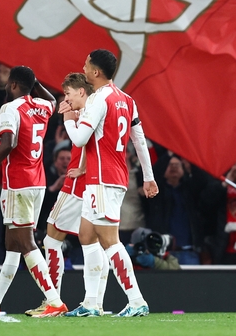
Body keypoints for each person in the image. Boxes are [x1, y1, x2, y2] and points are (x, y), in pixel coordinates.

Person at [62, 49, 158, 318]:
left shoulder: (97, 99)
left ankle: (136, 299)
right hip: (108, 177)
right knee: (86, 234)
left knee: (109, 240)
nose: (82, 68)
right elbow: (139, 140)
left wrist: (69, 120)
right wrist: (148, 177)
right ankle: (91, 303)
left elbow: (80, 138)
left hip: (103, 179)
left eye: (85, 64)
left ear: (95, 72)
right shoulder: (127, 100)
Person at [0, 66, 64, 318]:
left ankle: (54, 300)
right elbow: (51, 100)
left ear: (14, 84)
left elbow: (7, 143)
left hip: (18, 182)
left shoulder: (10, 109)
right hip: (36, 182)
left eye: (9, 83)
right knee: (13, 244)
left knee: (25, 242)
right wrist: (33, 82)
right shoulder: (43, 106)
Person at [28, 73, 97, 316]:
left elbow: (85, 141)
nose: (65, 99)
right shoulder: (94, 108)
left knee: (51, 238)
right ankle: (94, 302)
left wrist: (69, 119)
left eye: (67, 93)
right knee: (96, 243)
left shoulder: (90, 110)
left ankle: (53, 300)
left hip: (78, 183)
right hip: (94, 183)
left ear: (80, 91)